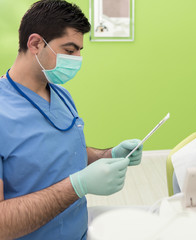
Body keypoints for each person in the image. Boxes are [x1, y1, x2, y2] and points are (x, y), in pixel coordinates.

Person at [0, 1, 143, 239]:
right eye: (69, 50)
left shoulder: (61, 95)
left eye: (79, 51)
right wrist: (77, 186)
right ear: (35, 43)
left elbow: (63, 152)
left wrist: (109, 155)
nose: (77, 58)